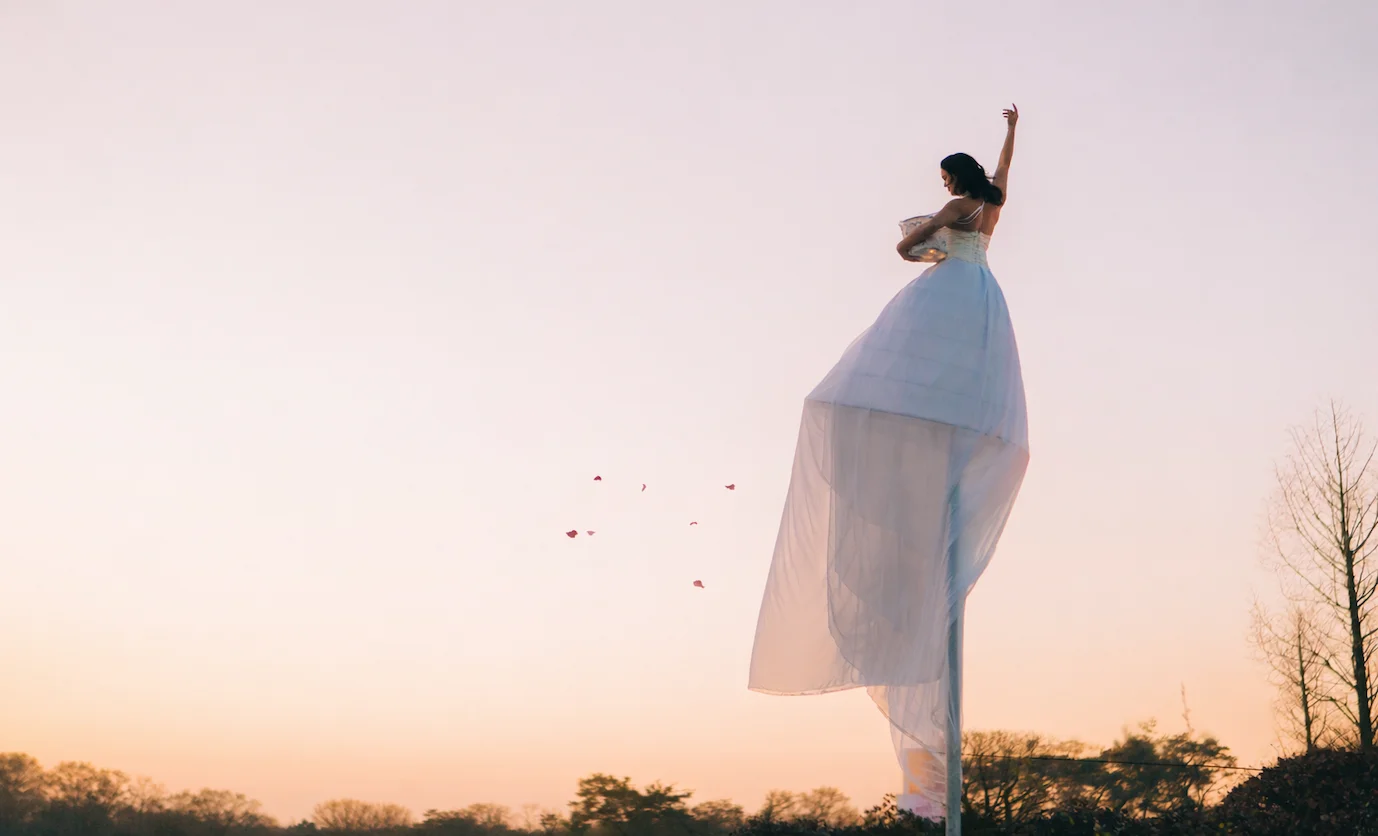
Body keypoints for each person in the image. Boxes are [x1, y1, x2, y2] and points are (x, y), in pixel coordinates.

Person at [747, 105, 1029, 821]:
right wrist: (1011, 131)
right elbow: (1003, 175)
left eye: (943, 176)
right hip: (983, 302)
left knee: (903, 369)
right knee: (945, 385)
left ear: (951, 178)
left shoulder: (957, 207)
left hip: (952, 298)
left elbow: (908, 255)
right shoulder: (987, 207)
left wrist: (933, 228)